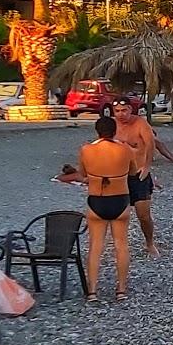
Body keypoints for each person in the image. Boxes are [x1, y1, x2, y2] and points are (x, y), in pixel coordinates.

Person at [60, 114, 135, 302]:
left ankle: (92, 290)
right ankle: (121, 290)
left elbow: (83, 173)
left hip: (97, 200)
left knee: (95, 246)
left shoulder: (86, 150)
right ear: (115, 130)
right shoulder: (125, 150)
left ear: (97, 131)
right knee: (121, 245)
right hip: (120, 200)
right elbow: (133, 172)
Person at [115, 98, 173, 257]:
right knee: (120, 215)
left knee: (143, 215)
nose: (121, 114)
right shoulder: (112, 126)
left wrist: (147, 167)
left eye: (124, 111)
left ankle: (149, 242)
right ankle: (120, 246)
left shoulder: (140, 124)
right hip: (119, 176)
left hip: (138, 175)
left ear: (130, 110)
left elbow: (151, 146)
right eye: (117, 111)